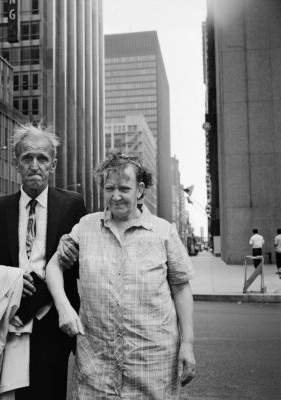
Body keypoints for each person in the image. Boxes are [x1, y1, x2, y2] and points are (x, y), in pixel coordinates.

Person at [46, 153, 196, 399]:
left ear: (140, 190)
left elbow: (181, 288)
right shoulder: (85, 227)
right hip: (96, 367)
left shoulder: (163, 232)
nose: (115, 196)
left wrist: (187, 344)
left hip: (152, 364)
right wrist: (63, 307)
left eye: (124, 188)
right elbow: (53, 267)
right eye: (109, 188)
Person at [0, 122, 87, 400]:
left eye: (42, 158)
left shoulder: (73, 204)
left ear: (53, 164)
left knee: (49, 393)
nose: (35, 165)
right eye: (27, 158)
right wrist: (9, 279)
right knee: (10, 395)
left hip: (53, 323)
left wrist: (75, 258)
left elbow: (87, 267)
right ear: (16, 163)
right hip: (9, 319)